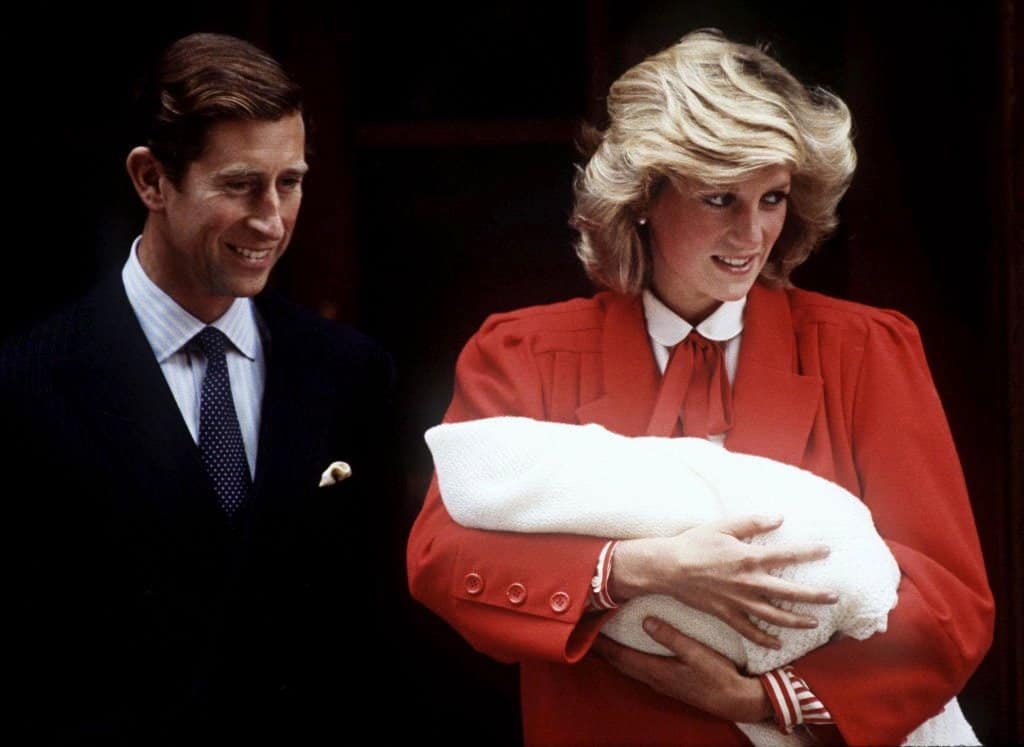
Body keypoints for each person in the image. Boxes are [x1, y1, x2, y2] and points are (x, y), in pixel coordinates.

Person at [407, 29, 994, 746]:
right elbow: (440, 558)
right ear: (643, 195)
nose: (753, 233)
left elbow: (950, 600)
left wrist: (762, 695)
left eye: (773, 196)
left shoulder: (866, 349)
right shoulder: (523, 351)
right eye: (721, 197)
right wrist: (630, 569)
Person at [3, 32, 400, 742]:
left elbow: (374, 640)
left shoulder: (350, 373)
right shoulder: (28, 381)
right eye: (241, 184)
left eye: (291, 181)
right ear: (151, 179)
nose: (272, 220)